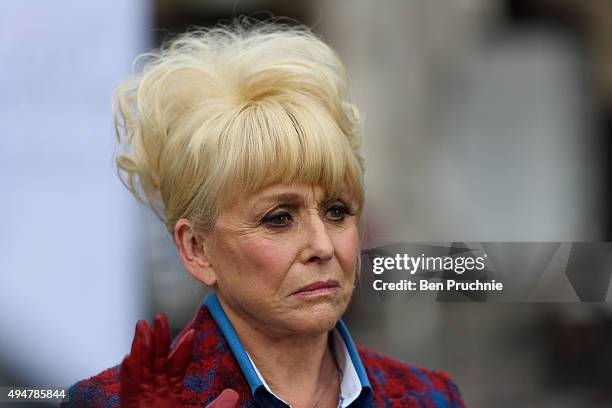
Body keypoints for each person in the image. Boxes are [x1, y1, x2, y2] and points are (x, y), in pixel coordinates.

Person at [66, 19, 466, 408]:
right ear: (196, 249)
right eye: (279, 217)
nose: (323, 246)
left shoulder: (430, 397)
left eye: (337, 211)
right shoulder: (112, 403)